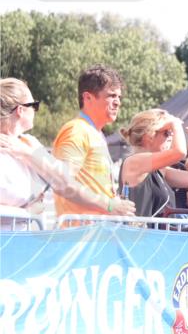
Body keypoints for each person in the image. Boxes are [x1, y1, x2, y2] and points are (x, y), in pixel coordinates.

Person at [0, 77, 136, 225]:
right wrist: (26, 211)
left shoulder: (29, 142)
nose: (118, 102)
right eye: (34, 106)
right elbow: (65, 187)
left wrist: (27, 153)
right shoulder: (76, 130)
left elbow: (63, 177)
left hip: (22, 236)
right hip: (78, 233)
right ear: (20, 110)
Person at [52, 65, 134, 218]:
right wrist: (109, 205)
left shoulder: (95, 132)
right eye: (111, 96)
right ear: (88, 98)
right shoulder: (76, 130)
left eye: (119, 97)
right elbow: (62, 184)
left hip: (96, 229)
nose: (117, 102)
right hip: (79, 230)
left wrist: (114, 202)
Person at [118, 110, 188, 217]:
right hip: (139, 228)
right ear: (149, 136)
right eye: (167, 133)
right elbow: (180, 152)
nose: (171, 137)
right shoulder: (133, 162)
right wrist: (175, 123)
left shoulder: (160, 170)